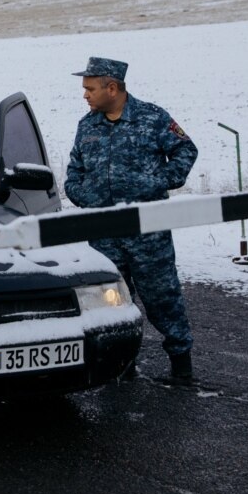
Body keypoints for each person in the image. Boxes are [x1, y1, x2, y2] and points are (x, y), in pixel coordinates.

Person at [65, 56, 200, 383]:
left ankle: (182, 368)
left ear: (112, 88)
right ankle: (122, 367)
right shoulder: (87, 126)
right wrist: (87, 197)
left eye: (90, 88)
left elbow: (186, 151)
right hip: (104, 236)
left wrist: (158, 182)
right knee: (110, 304)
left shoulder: (152, 118)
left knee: (163, 300)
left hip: (147, 234)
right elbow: (73, 174)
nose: (85, 95)